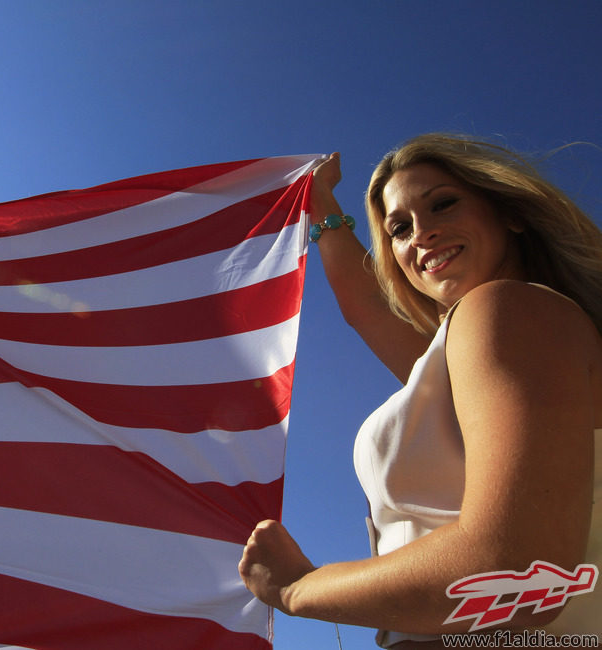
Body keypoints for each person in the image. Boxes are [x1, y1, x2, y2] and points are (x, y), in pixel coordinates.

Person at [239, 134, 602, 648]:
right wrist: (322, 205)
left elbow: (518, 569)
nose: (424, 234)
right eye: (400, 229)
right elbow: (366, 308)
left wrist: (300, 587)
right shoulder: (491, 337)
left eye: (444, 204)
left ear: (510, 214)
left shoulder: (507, 311)